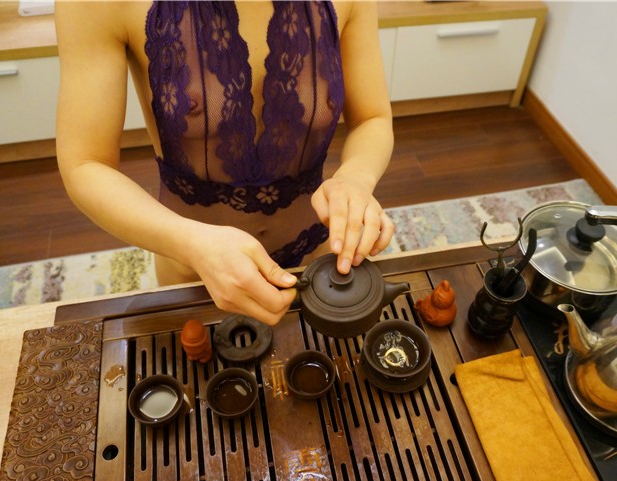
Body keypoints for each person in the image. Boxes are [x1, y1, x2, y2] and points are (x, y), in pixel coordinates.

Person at [55, 1, 394, 326]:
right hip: (193, 273)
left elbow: (372, 118)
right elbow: (86, 164)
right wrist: (193, 244)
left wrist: (355, 179)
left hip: (315, 265)